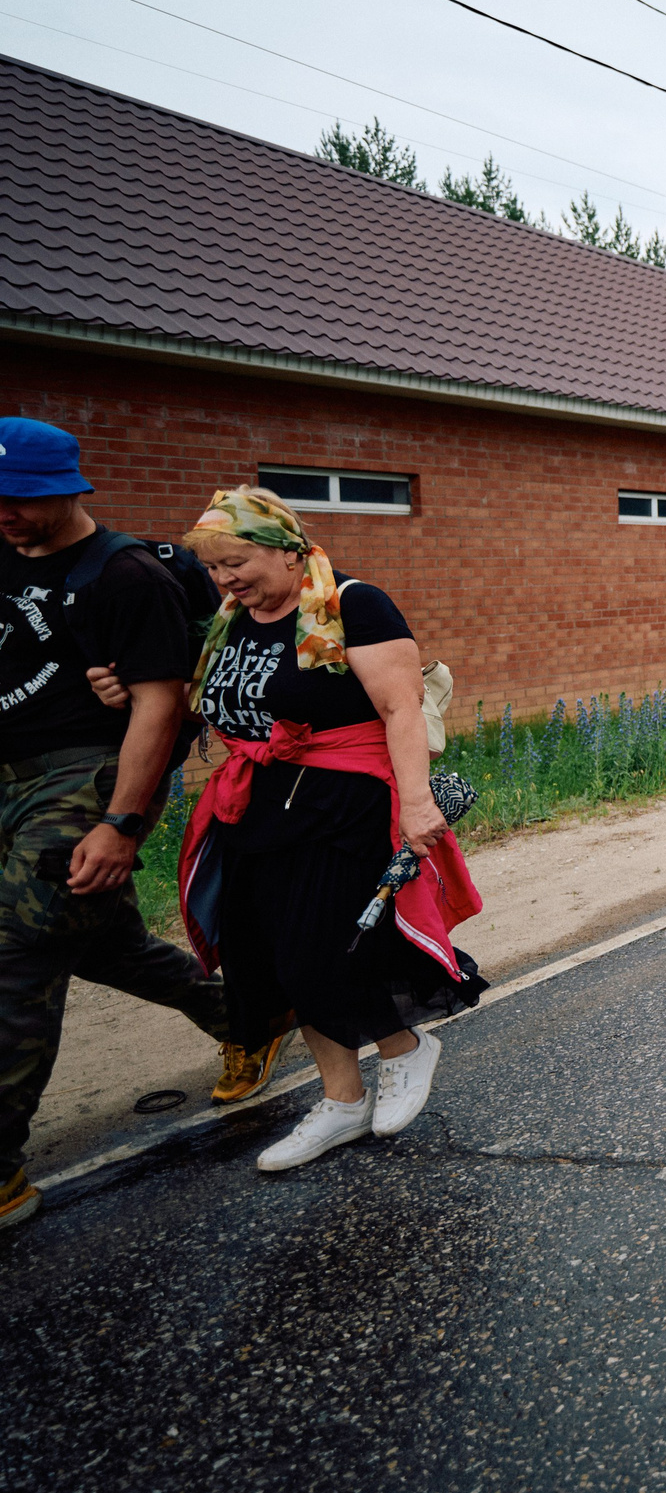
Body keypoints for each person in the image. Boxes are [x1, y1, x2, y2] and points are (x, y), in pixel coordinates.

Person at [172, 488, 487, 1172]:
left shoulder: (354, 604)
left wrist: (414, 804)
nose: (225, 578)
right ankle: (341, 1103)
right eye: (215, 567)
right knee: (278, 959)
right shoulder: (231, 617)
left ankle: (404, 1051)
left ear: (285, 549)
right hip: (256, 805)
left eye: (237, 560)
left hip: (343, 804)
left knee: (332, 948)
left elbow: (400, 707)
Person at [0, 421, 252, 1229]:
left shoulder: (126, 576)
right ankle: (245, 1013)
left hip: (83, 780)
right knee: (95, 939)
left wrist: (120, 824)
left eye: (24, 499)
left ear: (71, 488)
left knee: (18, 956)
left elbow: (157, 706)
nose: (7, 513)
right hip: (7, 778)